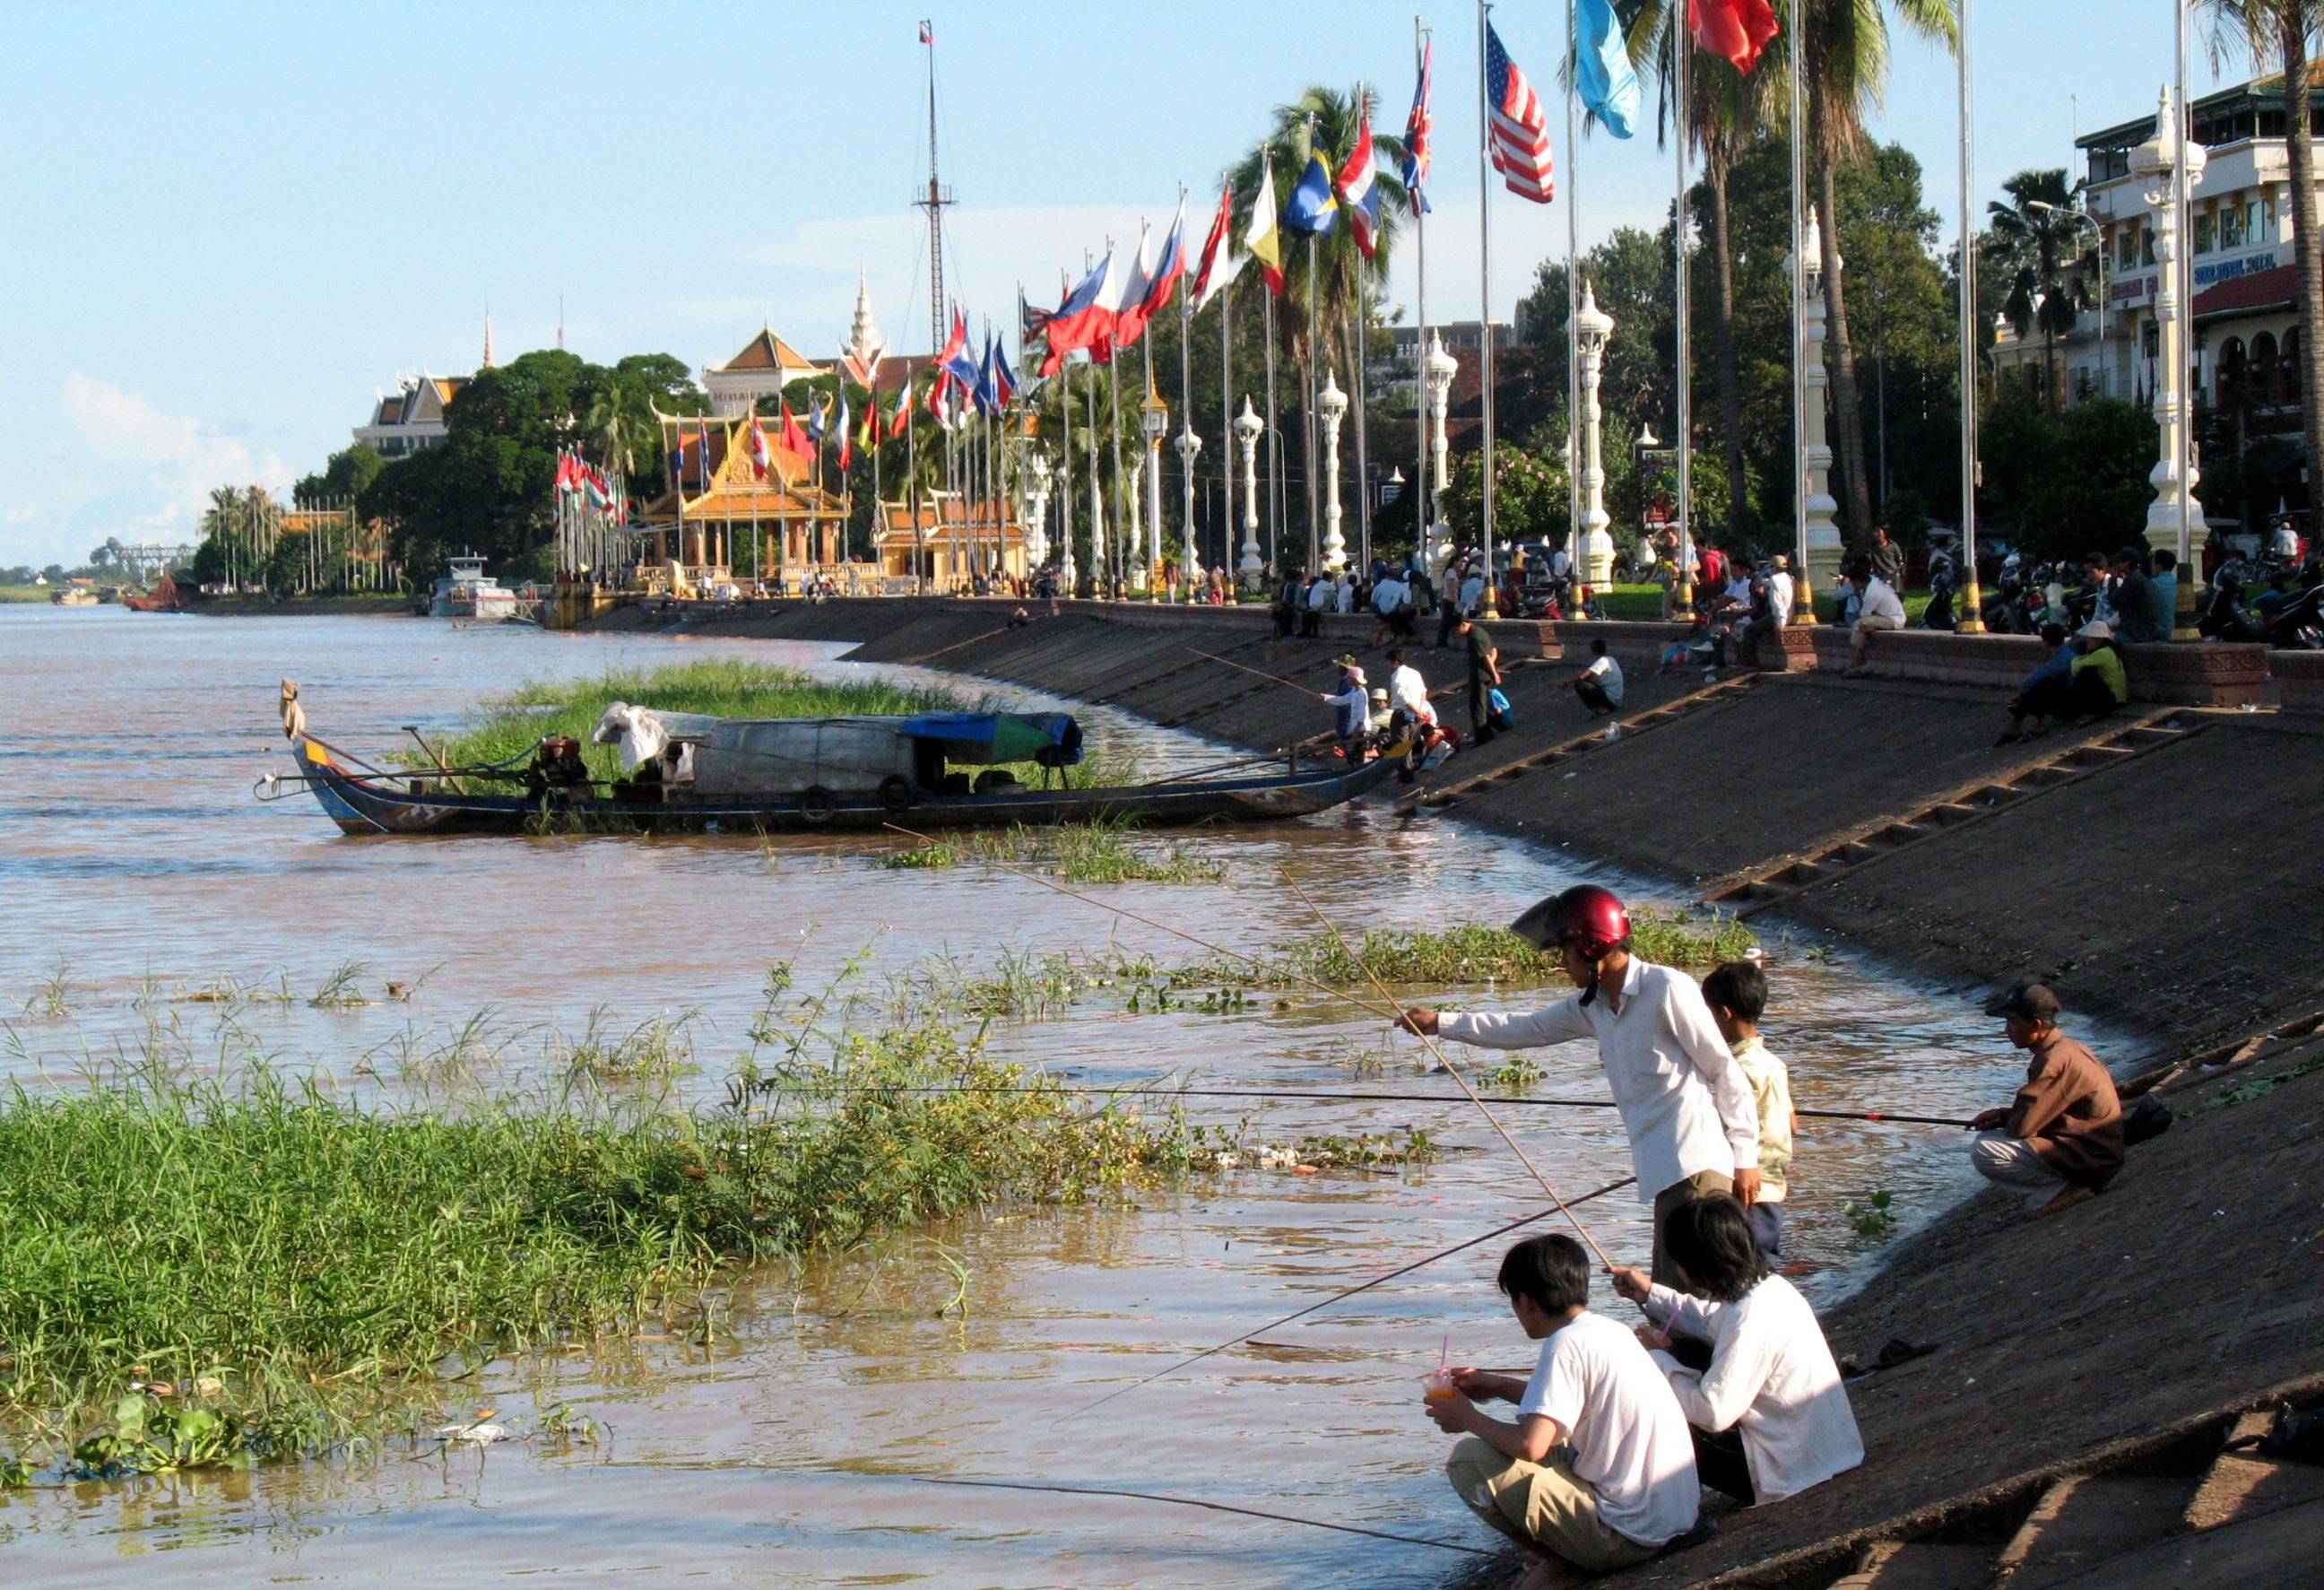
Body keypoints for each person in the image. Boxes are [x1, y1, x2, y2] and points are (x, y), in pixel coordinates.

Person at [1399, 886, 1760, 1285]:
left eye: (1566, 952)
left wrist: (1745, 1158)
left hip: (1697, 1168)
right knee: (1675, 1296)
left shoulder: (1666, 988)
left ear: (1592, 946)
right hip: (1664, 1174)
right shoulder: (1594, 1006)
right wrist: (1442, 1023)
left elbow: (1724, 1071)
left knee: (1693, 1297)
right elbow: (1528, 1028)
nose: (1563, 964)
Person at [1432, 1234, 1701, 1584]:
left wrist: (1467, 1417)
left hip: (1632, 1534)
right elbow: (1572, 1404)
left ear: (1526, 1302)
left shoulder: (1564, 1344)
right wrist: (1496, 1386)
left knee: (1469, 1460)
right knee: (1554, 1446)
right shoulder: (1609, 1330)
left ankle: (1563, 1560)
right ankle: (1570, 1550)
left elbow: (1531, 1445)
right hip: (1673, 1517)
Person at [1607, 1197, 1862, 1507]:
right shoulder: (1769, 1289)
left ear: (1692, 1266)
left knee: (1651, 1402)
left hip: (1790, 1469)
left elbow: (1712, 1414)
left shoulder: (1748, 1316)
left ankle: (1647, 1509)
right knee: (1687, 1351)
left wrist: (1657, 1359)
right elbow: (1711, 1320)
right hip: (1823, 1449)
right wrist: (1650, 1293)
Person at [1969, 983, 2124, 1215]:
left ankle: (2062, 1192)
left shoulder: (2053, 1061)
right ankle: (2064, 1187)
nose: (2006, 1030)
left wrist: (2009, 1119)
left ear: (2036, 1024)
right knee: (1989, 1137)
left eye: (2012, 1022)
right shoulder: (2067, 1047)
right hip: (2096, 1149)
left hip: (2093, 1157)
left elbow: (2022, 1128)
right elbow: (2043, 1111)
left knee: (1984, 1150)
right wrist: (2002, 1116)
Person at [1699, 961, 1791, 1260]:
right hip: (1774, 1188)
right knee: (1763, 1261)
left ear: (1724, 1014)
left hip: (1747, 1190)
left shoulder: (1735, 1070)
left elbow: (1729, 1126)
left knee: (1743, 1262)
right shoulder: (1774, 1064)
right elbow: (1792, 1123)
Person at [2015, 620, 2128, 729]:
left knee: (2083, 674)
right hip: (2112, 697)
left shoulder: (2103, 653)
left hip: (2114, 700)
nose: (2088, 641)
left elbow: (2076, 667)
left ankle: (2091, 712)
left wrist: (2077, 661)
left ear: (2099, 639)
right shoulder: (2100, 651)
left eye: (2091, 638)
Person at [1994, 622, 2075, 744]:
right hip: (2067, 697)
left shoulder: (2064, 658)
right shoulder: (2066, 652)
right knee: (2040, 685)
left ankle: (2026, 725)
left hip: (2070, 704)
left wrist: (2021, 692)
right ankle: (2018, 726)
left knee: (2044, 684)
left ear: (2046, 643)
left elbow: (2041, 675)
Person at [1845, 558, 1907, 673]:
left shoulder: (1872, 593)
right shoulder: (1873, 582)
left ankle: (1860, 656)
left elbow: (1863, 615)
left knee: (1859, 624)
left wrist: (1857, 595)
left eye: (1852, 583)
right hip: (1887, 617)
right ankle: (1874, 628)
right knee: (1864, 626)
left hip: (1894, 620)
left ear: (1857, 581)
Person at [1457, 613, 1504, 739]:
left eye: (1458, 629)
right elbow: (1493, 651)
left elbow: (1485, 657)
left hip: (1480, 674)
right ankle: (1496, 726)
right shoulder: (1481, 631)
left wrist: (1493, 673)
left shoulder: (1474, 636)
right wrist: (1491, 670)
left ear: (1464, 624)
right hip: (1485, 673)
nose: (1458, 632)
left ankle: (1483, 736)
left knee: (1477, 705)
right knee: (1482, 703)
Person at [1321, 656, 1372, 761]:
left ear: (1355, 679)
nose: (1349, 680)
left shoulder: (1361, 693)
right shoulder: (1354, 691)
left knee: (1360, 754)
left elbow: (1362, 714)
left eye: (1351, 678)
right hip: (1356, 728)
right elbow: (1342, 700)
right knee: (1354, 754)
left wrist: (1356, 731)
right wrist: (1326, 697)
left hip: (1362, 729)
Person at [2109, 548, 2164, 644]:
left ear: (2127, 563)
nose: (2117, 565)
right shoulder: (2140, 578)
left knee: (2100, 640)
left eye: (2120, 562)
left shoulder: (2133, 581)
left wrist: (2113, 579)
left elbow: (2114, 602)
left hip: (2137, 633)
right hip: (2143, 631)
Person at [1570, 637, 1625, 718]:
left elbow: (1582, 677)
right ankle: (1602, 706)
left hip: (1612, 700)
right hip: (1617, 700)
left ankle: (1602, 708)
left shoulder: (1602, 661)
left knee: (1580, 685)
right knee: (1589, 682)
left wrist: (1566, 682)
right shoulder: (1611, 659)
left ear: (1593, 650)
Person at [2148, 549, 2179, 639]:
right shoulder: (2179, 583)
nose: (2151, 568)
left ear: (2158, 565)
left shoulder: (2151, 584)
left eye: (2153, 564)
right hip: (2178, 631)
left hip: (2160, 632)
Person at [1868, 525, 1905, 590]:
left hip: (1893, 574)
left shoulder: (1893, 545)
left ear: (1884, 534)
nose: (1876, 534)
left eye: (1878, 532)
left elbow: (1900, 560)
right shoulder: (1872, 547)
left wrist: (1899, 572)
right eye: (1875, 532)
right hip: (1879, 575)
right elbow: (1869, 561)